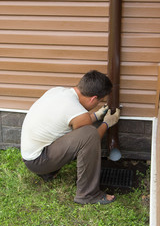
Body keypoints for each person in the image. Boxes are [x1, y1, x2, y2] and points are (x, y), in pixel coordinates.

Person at [21, 70, 120, 205]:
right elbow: (91, 139)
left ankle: (49, 172)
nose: (96, 105)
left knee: (82, 134)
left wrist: (97, 115)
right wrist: (107, 123)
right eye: (99, 102)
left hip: (30, 155)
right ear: (93, 99)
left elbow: (74, 119)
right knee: (89, 134)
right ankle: (88, 195)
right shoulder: (78, 113)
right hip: (38, 161)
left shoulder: (58, 91)